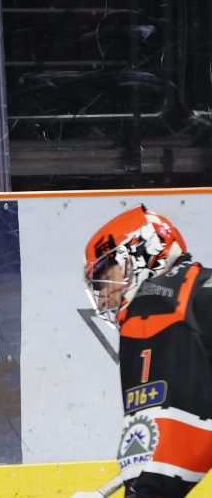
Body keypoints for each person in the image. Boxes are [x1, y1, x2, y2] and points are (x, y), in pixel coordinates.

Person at [80, 205, 211, 498]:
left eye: (104, 275)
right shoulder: (194, 288)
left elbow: (173, 437)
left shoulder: (155, 306)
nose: (102, 298)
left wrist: (141, 490)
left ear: (139, 252)